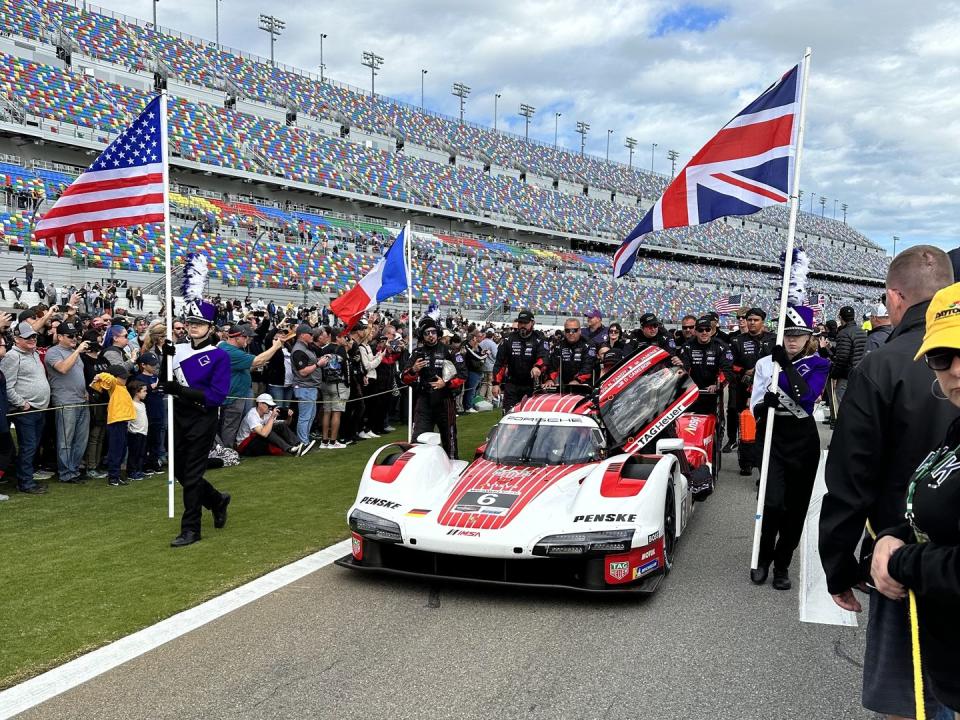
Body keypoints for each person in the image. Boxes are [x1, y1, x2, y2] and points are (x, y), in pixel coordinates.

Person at [820, 245, 956, 719]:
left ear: (895, 298)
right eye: (941, 362)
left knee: (912, 699)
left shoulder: (882, 365)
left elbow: (850, 476)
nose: (950, 373)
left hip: (906, 567)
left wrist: (839, 564)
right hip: (922, 551)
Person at [870, 282, 960, 715]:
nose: (957, 370)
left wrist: (901, 561)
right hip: (944, 663)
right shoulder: (957, 428)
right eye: (944, 357)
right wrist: (894, 534)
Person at [749, 306, 830, 590]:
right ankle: (762, 559)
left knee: (795, 509)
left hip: (802, 439)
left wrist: (785, 366)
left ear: (808, 337)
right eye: (787, 334)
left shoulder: (820, 364)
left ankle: (782, 565)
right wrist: (762, 407)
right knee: (771, 503)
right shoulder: (764, 364)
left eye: (798, 335)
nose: (792, 341)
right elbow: (755, 403)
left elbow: (806, 398)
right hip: (773, 435)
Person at [164, 299, 232, 548]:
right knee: (179, 470)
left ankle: (191, 529)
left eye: (200, 323)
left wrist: (181, 390)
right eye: (191, 322)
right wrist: (165, 359)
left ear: (210, 327)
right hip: (178, 415)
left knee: (192, 475)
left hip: (202, 417)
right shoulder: (178, 349)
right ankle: (216, 500)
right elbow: (164, 384)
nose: (193, 326)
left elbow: (217, 396)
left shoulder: (219, 356)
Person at [401, 317, 466, 458]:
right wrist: (413, 370)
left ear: (437, 333)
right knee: (418, 439)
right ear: (422, 336)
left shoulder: (450, 351)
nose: (430, 335)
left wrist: (446, 383)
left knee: (449, 439)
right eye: (426, 333)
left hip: (445, 400)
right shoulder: (417, 353)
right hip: (424, 400)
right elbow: (404, 378)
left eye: (433, 332)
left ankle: (453, 466)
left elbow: (462, 375)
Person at [217, 323, 286, 449]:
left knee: (232, 424)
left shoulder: (224, 346)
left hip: (236, 393)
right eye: (246, 337)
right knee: (230, 425)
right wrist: (275, 347)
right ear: (237, 337)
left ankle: (229, 449)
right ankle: (227, 452)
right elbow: (258, 360)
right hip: (234, 395)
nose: (249, 340)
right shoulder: (231, 351)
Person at [2, 322, 51, 494]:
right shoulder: (12, 356)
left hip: (39, 409)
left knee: (33, 446)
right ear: (16, 339)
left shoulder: (34, 353)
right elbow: (6, 386)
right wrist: (22, 403)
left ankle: (25, 479)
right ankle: (25, 483)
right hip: (26, 411)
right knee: (28, 447)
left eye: (34, 336)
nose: (32, 339)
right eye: (27, 337)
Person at [44, 319, 91, 485]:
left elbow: (78, 374)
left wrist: (85, 390)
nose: (74, 338)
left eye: (76, 335)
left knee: (81, 440)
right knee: (65, 440)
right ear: (60, 336)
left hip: (81, 400)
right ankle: (66, 473)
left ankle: (74, 469)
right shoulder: (53, 352)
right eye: (70, 336)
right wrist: (77, 350)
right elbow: (63, 368)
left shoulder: (75, 353)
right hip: (65, 401)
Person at [727, 307, 775, 455]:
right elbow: (729, 364)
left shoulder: (774, 339)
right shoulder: (736, 340)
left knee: (765, 419)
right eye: (749, 320)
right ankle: (744, 455)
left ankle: (765, 452)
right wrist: (743, 371)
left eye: (756, 320)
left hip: (767, 387)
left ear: (762, 322)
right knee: (742, 418)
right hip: (743, 386)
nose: (752, 323)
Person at [491, 309, 549, 413]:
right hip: (512, 385)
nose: (522, 325)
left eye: (525, 323)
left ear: (532, 323)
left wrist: (537, 366)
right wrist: (496, 383)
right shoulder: (508, 339)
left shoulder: (540, 339)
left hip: (532, 386)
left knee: (530, 416)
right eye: (520, 322)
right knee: (509, 415)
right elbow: (500, 363)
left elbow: (544, 357)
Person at [677, 315, 733, 416]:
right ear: (695, 332)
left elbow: (727, 369)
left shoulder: (721, 346)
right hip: (691, 391)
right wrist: (685, 381)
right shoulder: (687, 346)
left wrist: (717, 384)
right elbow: (684, 366)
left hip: (712, 392)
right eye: (700, 330)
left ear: (711, 331)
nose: (704, 333)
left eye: (707, 330)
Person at [90, 364, 135, 487]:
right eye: (122, 377)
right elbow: (107, 377)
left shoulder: (121, 386)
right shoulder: (114, 385)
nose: (125, 379)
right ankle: (113, 477)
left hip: (122, 421)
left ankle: (117, 475)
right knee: (115, 450)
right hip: (116, 421)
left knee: (120, 449)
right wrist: (100, 375)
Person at [290, 323, 328, 446]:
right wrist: (318, 364)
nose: (312, 336)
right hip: (305, 387)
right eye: (310, 334)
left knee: (310, 416)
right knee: (305, 417)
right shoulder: (298, 350)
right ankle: (302, 442)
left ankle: (305, 440)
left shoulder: (306, 347)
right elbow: (303, 371)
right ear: (302, 335)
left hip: (310, 387)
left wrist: (319, 361)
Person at [236, 393, 310, 456]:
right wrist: (272, 417)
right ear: (260, 404)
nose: (270, 407)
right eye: (268, 405)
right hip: (245, 445)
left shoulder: (268, 413)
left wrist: (289, 417)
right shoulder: (252, 415)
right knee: (268, 430)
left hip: (257, 441)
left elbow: (285, 424)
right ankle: (290, 449)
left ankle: (298, 444)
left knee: (279, 425)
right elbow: (264, 433)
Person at [830, 305, 867, 409]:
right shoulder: (862, 332)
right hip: (860, 373)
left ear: (841, 318)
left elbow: (842, 358)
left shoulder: (844, 333)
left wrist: (834, 374)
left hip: (847, 375)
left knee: (842, 403)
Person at [544, 318, 596, 392]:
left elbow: (588, 366)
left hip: (585, 386)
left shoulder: (589, 344)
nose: (571, 333)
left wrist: (577, 380)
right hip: (565, 386)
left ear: (579, 331)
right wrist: (550, 379)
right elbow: (553, 365)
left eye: (574, 330)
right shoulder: (559, 345)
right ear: (564, 332)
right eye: (568, 331)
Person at [134, 352, 165, 473]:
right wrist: (152, 386)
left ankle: (154, 462)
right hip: (146, 414)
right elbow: (140, 393)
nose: (154, 367)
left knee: (157, 439)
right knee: (145, 441)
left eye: (154, 364)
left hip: (158, 411)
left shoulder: (156, 376)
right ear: (143, 365)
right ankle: (145, 464)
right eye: (151, 365)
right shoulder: (139, 378)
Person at [126, 379, 148, 481]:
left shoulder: (142, 404)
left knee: (141, 453)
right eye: (144, 391)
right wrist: (130, 430)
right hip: (135, 433)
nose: (146, 393)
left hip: (143, 432)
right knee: (134, 453)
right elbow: (129, 419)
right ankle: (131, 472)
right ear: (136, 392)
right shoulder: (132, 404)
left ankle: (139, 470)